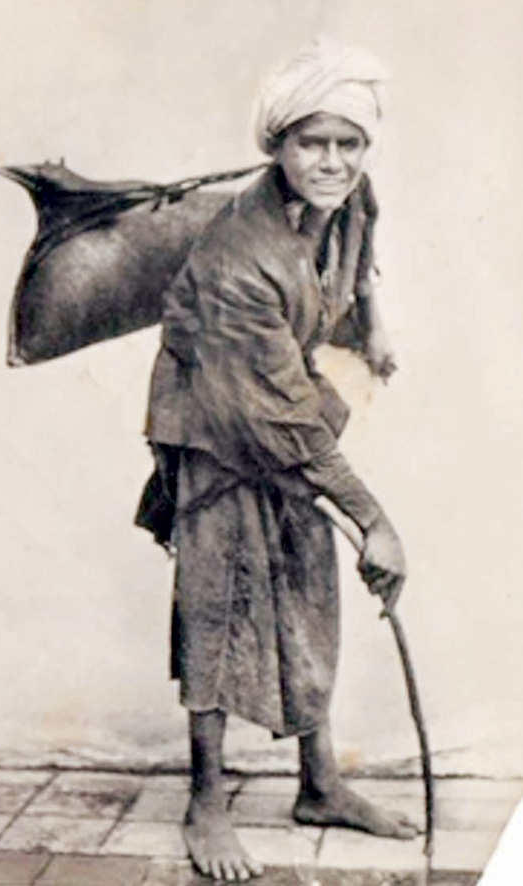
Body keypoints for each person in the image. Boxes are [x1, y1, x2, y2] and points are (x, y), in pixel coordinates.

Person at [139, 37, 418, 881]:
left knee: (307, 590)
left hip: (275, 400)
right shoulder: (237, 258)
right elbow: (287, 419)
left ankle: (320, 785)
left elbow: (359, 249)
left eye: (348, 142)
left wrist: (372, 322)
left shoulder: (351, 194)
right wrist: (374, 520)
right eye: (311, 142)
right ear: (279, 145)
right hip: (215, 427)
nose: (333, 161)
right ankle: (205, 804)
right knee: (219, 606)